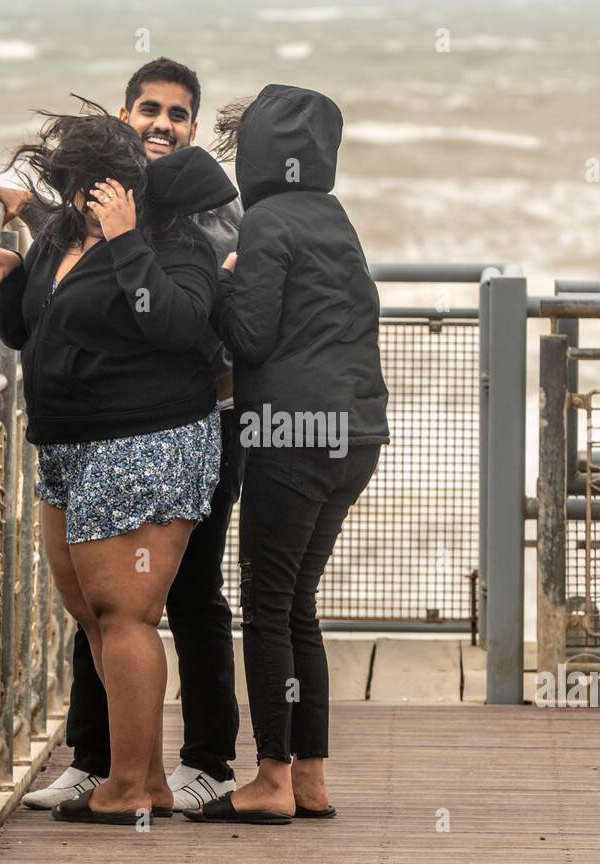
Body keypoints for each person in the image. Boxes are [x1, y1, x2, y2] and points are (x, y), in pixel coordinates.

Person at [0, 58, 246, 813]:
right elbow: (35, 327)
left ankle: (144, 781)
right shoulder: (64, 229)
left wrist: (129, 240)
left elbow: (178, 324)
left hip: (149, 440)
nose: (161, 125)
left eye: (176, 114)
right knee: (93, 614)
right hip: (66, 445)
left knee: (134, 612)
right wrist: (8, 277)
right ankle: (132, 773)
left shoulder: (180, 234)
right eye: (147, 111)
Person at [186, 85, 389, 824]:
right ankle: (311, 778)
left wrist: (222, 282)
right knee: (299, 605)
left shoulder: (266, 222)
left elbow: (251, 339)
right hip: (357, 433)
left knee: (266, 608)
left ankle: (269, 778)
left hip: (291, 435)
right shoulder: (336, 219)